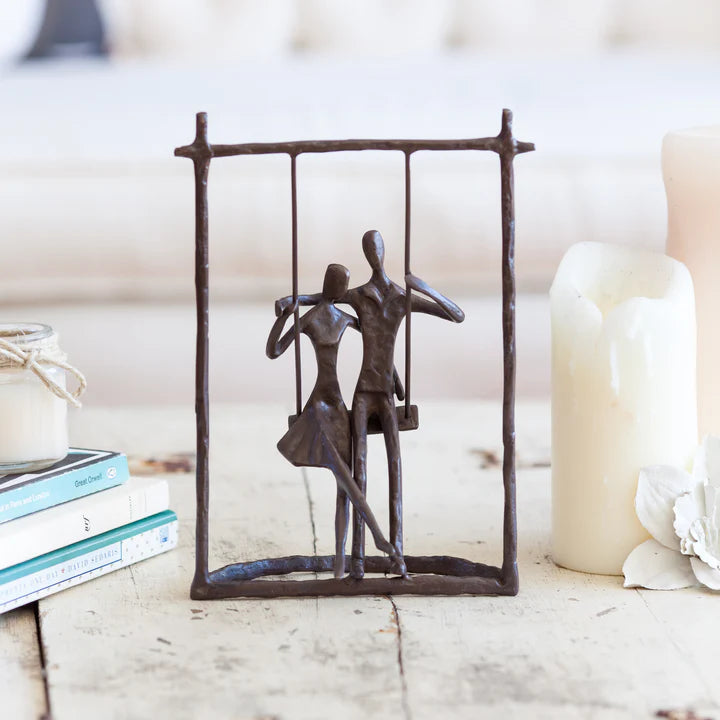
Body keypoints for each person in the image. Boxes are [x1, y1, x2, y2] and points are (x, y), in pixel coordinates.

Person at [277, 230, 465, 578]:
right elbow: (323, 297)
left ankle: (398, 557)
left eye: (376, 247)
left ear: (383, 251)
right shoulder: (358, 297)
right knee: (359, 470)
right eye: (368, 249)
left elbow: (456, 315)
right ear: (366, 254)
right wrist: (291, 301)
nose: (373, 254)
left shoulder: (402, 297)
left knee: (396, 467)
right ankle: (358, 561)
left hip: (385, 395)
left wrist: (424, 287)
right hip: (363, 392)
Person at [267, 262, 406, 578]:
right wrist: (285, 316)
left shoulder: (346, 319)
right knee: (344, 476)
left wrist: (396, 384)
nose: (342, 291)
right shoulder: (311, 320)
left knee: (345, 486)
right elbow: (274, 350)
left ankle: (344, 563)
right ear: (334, 287)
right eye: (340, 285)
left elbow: (378, 348)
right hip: (318, 406)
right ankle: (376, 539)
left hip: (340, 403)